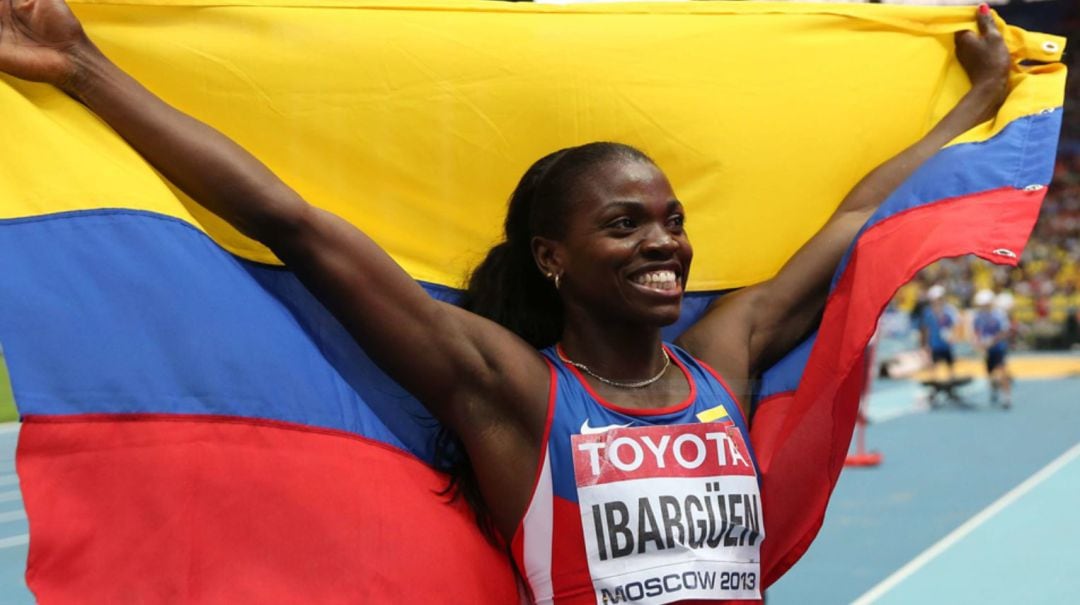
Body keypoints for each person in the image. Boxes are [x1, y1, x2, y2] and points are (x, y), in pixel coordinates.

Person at [0, 0, 1010, 602]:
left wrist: (976, 104)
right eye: (624, 223)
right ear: (552, 256)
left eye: (670, 218)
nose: (664, 241)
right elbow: (295, 225)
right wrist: (86, 68)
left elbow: (865, 212)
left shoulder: (724, 358)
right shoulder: (510, 387)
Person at [973, 289, 1014, 408]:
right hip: (987, 350)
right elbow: (977, 331)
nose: (983, 307)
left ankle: (1007, 397)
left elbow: (1004, 331)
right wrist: (979, 343)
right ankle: (994, 388)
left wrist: (993, 341)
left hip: (999, 348)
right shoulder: (978, 316)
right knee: (989, 373)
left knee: (1002, 371)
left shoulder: (999, 315)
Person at [921, 284, 960, 387]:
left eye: (939, 298)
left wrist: (952, 336)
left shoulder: (949, 310)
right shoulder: (928, 312)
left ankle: (952, 384)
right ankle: (935, 385)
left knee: (950, 364)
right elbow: (926, 329)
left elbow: (955, 325)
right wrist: (925, 344)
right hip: (935, 344)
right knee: (934, 365)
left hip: (946, 344)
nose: (937, 301)